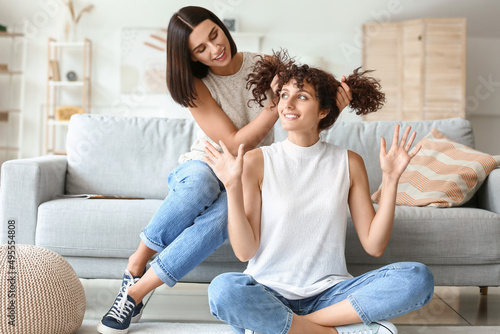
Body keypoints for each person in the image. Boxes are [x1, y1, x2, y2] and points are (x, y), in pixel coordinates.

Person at [97, 6, 352, 334]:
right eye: (200, 49)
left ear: (222, 27)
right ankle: (135, 263)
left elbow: (305, 111)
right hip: (205, 164)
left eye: (214, 35)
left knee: (223, 220)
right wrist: (275, 105)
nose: (215, 49)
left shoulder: (265, 66)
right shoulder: (195, 85)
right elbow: (231, 144)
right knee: (201, 184)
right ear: (191, 57)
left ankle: (135, 292)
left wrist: (337, 104)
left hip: (248, 174)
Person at [204, 53, 434, 334]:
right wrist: (231, 186)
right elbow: (245, 251)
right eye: (283, 94)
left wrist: (391, 179)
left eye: (301, 96)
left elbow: (374, 245)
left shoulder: (349, 162)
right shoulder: (257, 161)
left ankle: (289, 328)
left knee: (417, 278)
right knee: (224, 290)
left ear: (323, 111)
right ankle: (333, 330)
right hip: (268, 292)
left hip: (330, 296)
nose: (287, 103)